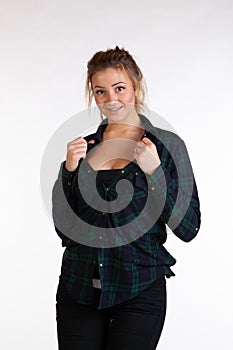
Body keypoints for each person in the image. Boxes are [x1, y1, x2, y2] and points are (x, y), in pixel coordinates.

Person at [52, 46, 201, 350]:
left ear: (136, 86)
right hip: (78, 290)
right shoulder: (84, 149)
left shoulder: (167, 146)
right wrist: (68, 171)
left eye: (119, 88)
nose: (111, 99)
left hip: (139, 292)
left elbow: (189, 228)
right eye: (101, 91)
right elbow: (64, 230)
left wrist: (155, 172)